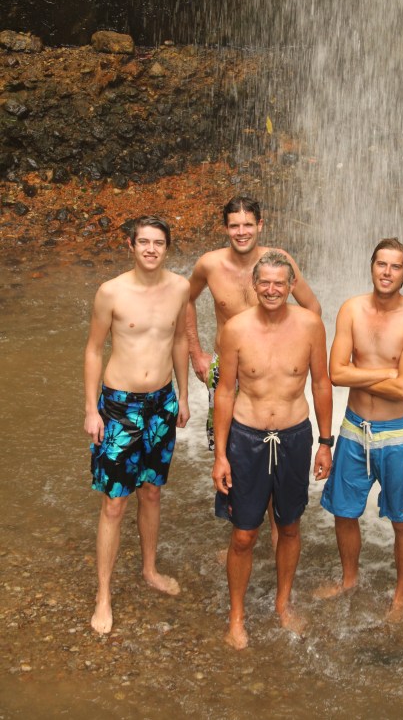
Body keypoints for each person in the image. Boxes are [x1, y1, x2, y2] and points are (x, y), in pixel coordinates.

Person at [212, 250, 333, 649]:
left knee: (290, 526)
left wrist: (325, 443)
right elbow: (225, 390)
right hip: (246, 439)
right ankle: (236, 617)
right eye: (264, 282)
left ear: (292, 285)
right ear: (253, 283)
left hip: (295, 436)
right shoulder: (236, 329)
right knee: (244, 534)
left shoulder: (311, 325)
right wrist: (220, 455)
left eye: (280, 283)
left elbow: (320, 385)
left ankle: (283, 603)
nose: (271, 290)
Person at [84, 215, 190, 635]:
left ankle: (149, 570)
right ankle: (103, 595)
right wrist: (91, 409)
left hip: (162, 402)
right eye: (143, 242)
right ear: (131, 245)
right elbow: (94, 350)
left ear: (167, 247)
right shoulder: (111, 292)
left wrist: (183, 396)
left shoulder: (180, 288)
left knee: (152, 492)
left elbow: (179, 339)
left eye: (158, 242)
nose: (150, 249)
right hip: (119, 406)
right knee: (114, 502)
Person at [317, 238, 403, 619]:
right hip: (352, 430)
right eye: (381, 264)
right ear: (371, 266)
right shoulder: (351, 310)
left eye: (395, 266)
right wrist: (387, 373)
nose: (386, 272)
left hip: (397, 434)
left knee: (402, 518)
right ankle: (349, 580)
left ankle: (400, 596)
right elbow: (335, 374)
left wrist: (358, 375)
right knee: (344, 512)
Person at [187, 195, 321, 450]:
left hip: (271, 369)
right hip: (226, 369)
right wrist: (196, 353)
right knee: (224, 448)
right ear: (226, 228)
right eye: (234, 226)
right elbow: (186, 299)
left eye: (248, 225)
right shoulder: (210, 264)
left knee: (273, 443)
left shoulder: (279, 262)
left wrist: (297, 357)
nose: (241, 232)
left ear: (260, 225)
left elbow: (312, 307)